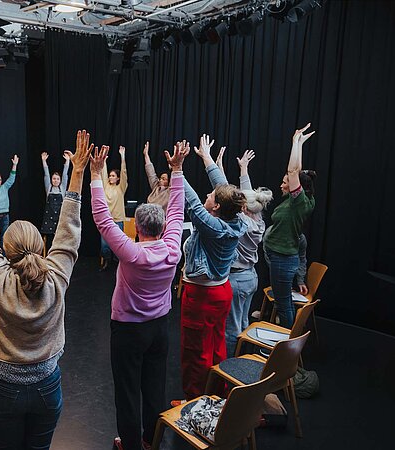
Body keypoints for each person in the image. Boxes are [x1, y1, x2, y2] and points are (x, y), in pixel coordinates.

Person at [0, 131, 90, 450]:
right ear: (41, 249)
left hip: (5, 387)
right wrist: (78, 173)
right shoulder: (57, 275)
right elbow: (68, 232)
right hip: (47, 386)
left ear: (6, 250)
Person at [92, 142, 188, 450]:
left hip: (129, 331)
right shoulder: (173, 247)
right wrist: (177, 169)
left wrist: (95, 173)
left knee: (128, 390)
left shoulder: (131, 252)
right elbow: (177, 209)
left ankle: (131, 444)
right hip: (160, 329)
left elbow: (102, 219)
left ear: (138, 229)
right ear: (161, 229)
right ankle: (151, 440)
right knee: (154, 386)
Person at [176, 134, 247, 403]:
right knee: (216, 345)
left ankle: (196, 400)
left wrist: (177, 169)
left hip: (202, 298)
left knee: (196, 350)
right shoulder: (234, 216)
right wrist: (206, 158)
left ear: (215, 206)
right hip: (220, 293)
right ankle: (217, 393)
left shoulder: (213, 226)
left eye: (211, 196)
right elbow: (224, 188)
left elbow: (193, 202)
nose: (209, 194)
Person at [214, 148, 274, 357]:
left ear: (244, 208)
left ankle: (230, 365)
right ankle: (242, 357)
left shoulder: (243, 223)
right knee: (243, 321)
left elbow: (225, 193)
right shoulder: (258, 221)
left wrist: (214, 165)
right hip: (251, 277)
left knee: (231, 328)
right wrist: (244, 170)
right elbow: (245, 195)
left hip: (237, 280)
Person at [263, 124, 317, 329]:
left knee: (283, 304)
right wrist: (299, 144)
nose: (283, 183)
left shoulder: (299, 201)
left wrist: (295, 143)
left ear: (298, 187)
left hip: (283, 259)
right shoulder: (299, 200)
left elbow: (293, 171)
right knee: (282, 301)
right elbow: (297, 171)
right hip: (281, 257)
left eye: (286, 181)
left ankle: (286, 348)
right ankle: (286, 344)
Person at [99, 145, 129, 271]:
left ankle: (118, 264)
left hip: (118, 220)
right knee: (105, 245)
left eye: (113, 176)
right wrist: (104, 161)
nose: (110, 177)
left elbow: (124, 173)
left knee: (118, 245)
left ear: (117, 178)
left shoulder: (121, 188)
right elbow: (103, 174)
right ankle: (106, 261)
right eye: (110, 176)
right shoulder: (105, 186)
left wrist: (122, 156)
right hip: (107, 220)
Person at [39, 151, 70, 241]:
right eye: (54, 179)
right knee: (49, 239)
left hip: (60, 217)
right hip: (49, 218)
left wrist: (67, 161)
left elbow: (65, 175)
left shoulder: (62, 188)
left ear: (60, 180)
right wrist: (44, 161)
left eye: (57, 179)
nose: (55, 180)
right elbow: (46, 174)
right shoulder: (49, 188)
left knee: (60, 239)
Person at [142, 141, 171, 211]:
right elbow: (151, 173)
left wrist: (173, 167)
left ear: (169, 181)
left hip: (162, 220)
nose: (160, 180)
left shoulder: (170, 191)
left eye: (164, 179)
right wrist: (146, 155)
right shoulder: (156, 187)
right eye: (160, 178)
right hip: (149, 217)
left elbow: (176, 178)